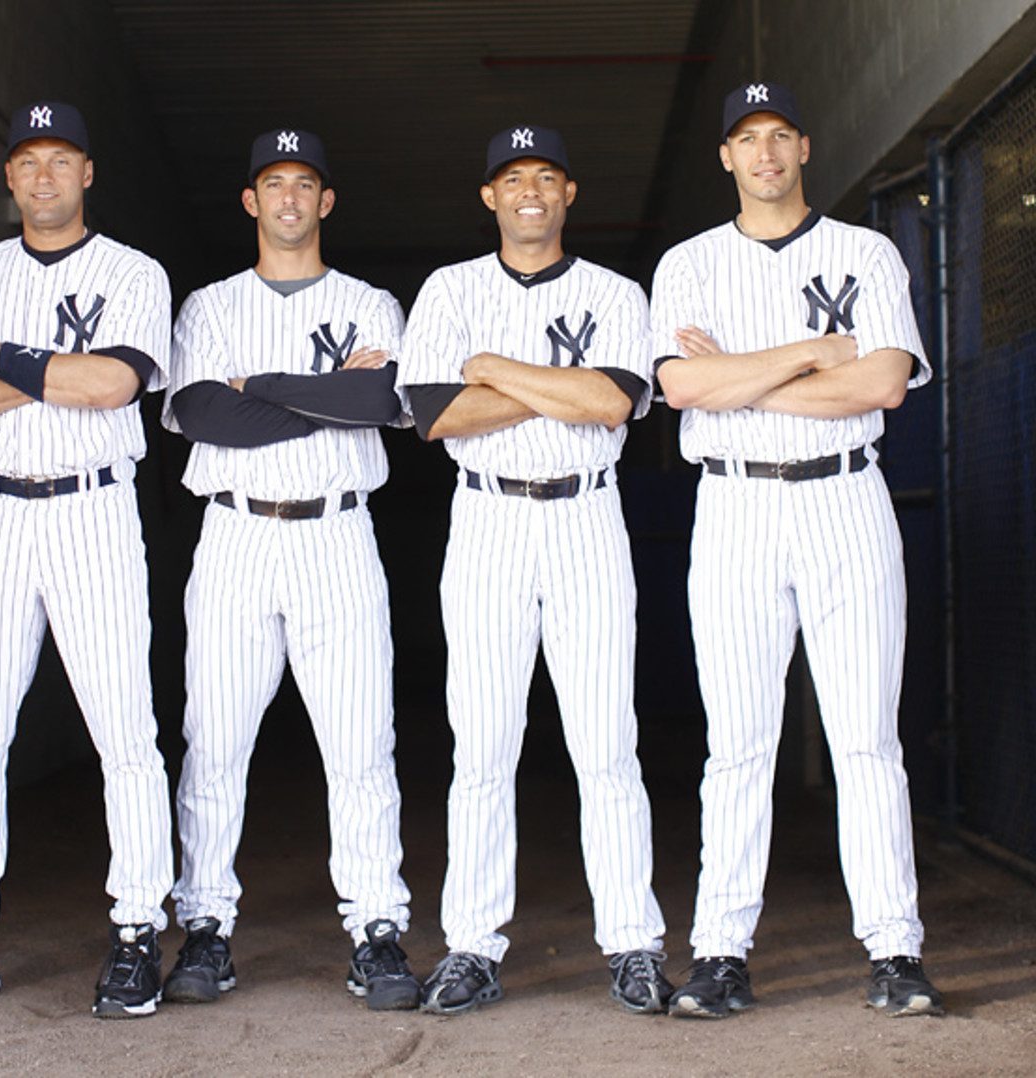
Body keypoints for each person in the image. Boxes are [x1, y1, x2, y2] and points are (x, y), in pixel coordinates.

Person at [650, 82, 944, 1019]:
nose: (765, 151)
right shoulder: (689, 262)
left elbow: (887, 385)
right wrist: (815, 356)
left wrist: (742, 377)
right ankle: (722, 953)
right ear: (726, 157)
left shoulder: (866, 249)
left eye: (780, 134)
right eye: (747, 137)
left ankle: (894, 951)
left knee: (866, 740)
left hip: (846, 500)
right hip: (735, 513)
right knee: (737, 746)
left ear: (804, 146)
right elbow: (683, 385)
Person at [0, 101, 175, 1019]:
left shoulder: (133, 271)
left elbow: (115, 383)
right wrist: (56, 371)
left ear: (87, 173)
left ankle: (137, 931)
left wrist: (6, 361)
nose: (45, 177)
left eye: (61, 160)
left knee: (123, 734)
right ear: (9, 177)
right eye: (29, 162)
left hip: (94, 508)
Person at [398, 125, 669, 1016]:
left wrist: (495, 370)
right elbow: (438, 415)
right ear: (489, 197)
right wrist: (557, 385)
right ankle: (473, 945)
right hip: (486, 519)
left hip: (588, 514)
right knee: (481, 747)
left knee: (605, 745)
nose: (529, 192)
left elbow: (612, 403)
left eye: (546, 176)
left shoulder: (615, 291)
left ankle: (632, 942)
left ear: (568, 193)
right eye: (512, 178)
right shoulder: (449, 288)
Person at [160, 129, 418, 1011]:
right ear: (251, 200)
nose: (289, 198)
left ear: (326, 200)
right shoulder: (209, 306)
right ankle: (205, 927)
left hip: (337, 539)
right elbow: (201, 414)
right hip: (234, 539)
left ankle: (377, 929)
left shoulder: (373, 301)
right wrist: (319, 389)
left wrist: (259, 388)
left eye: (305, 182)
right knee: (216, 744)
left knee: (359, 745)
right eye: (274, 182)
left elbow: (379, 400)